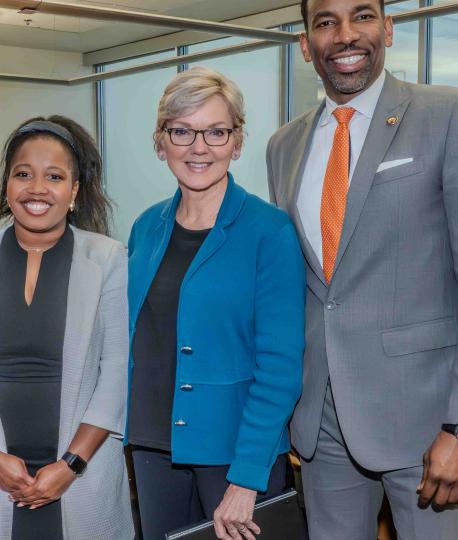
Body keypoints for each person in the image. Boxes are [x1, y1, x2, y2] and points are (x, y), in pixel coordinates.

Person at [266, 0, 458, 538]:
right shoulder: (284, 145)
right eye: (325, 22)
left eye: (363, 16)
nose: (345, 35)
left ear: (389, 29)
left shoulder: (452, 114)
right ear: (306, 44)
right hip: (322, 423)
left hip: (428, 424)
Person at [0, 116, 133, 539]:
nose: (37, 188)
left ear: (74, 191)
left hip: (82, 473)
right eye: (23, 174)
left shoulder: (108, 258)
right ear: (7, 185)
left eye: (54, 176)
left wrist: (71, 465)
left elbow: (115, 369)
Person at [127, 67, 305, 540]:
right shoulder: (145, 228)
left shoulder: (269, 232)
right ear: (160, 142)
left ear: (238, 141)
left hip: (234, 455)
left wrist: (246, 478)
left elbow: (281, 368)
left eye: (216, 131)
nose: (199, 147)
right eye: (182, 131)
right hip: (152, 446)